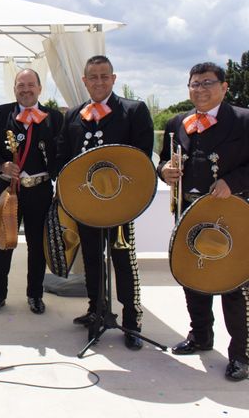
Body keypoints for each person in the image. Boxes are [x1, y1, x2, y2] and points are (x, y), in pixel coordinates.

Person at [56, 55, 154, 350]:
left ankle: (132, 322)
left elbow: (142, 159)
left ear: (113, 79)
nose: (98, 82)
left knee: (124, 262)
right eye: (93, 77)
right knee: (92, 261)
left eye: (104, 76)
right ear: (84, 82)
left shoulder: (133, 110)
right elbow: (63, 156)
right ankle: (96, 311)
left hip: (120, 205)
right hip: (86, 206)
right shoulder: (73, 115)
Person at [159, 62, 249, 381]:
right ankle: (201, 337)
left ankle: (242, 354)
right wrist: (163, 172)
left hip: (230, 215)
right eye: (194, 84)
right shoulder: (176, 122)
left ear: (224, 87)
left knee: (233, 285)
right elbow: (162, 160)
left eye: (207, 83)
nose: (200, 89)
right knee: (192, 276)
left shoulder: (243, 119)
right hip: (188, 211)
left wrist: (233, 182)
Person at [0, 69, 63, 315]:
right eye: (21, 85)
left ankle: (35, 295)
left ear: (39, 88)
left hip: (40, 190)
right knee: (3, 244)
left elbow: (62, 153)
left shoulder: (54, 117)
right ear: (14, 88)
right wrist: (2, 164)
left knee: (37, 246)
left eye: (31, 85)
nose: (26, 90)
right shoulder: (2, 113)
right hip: (9, 189)